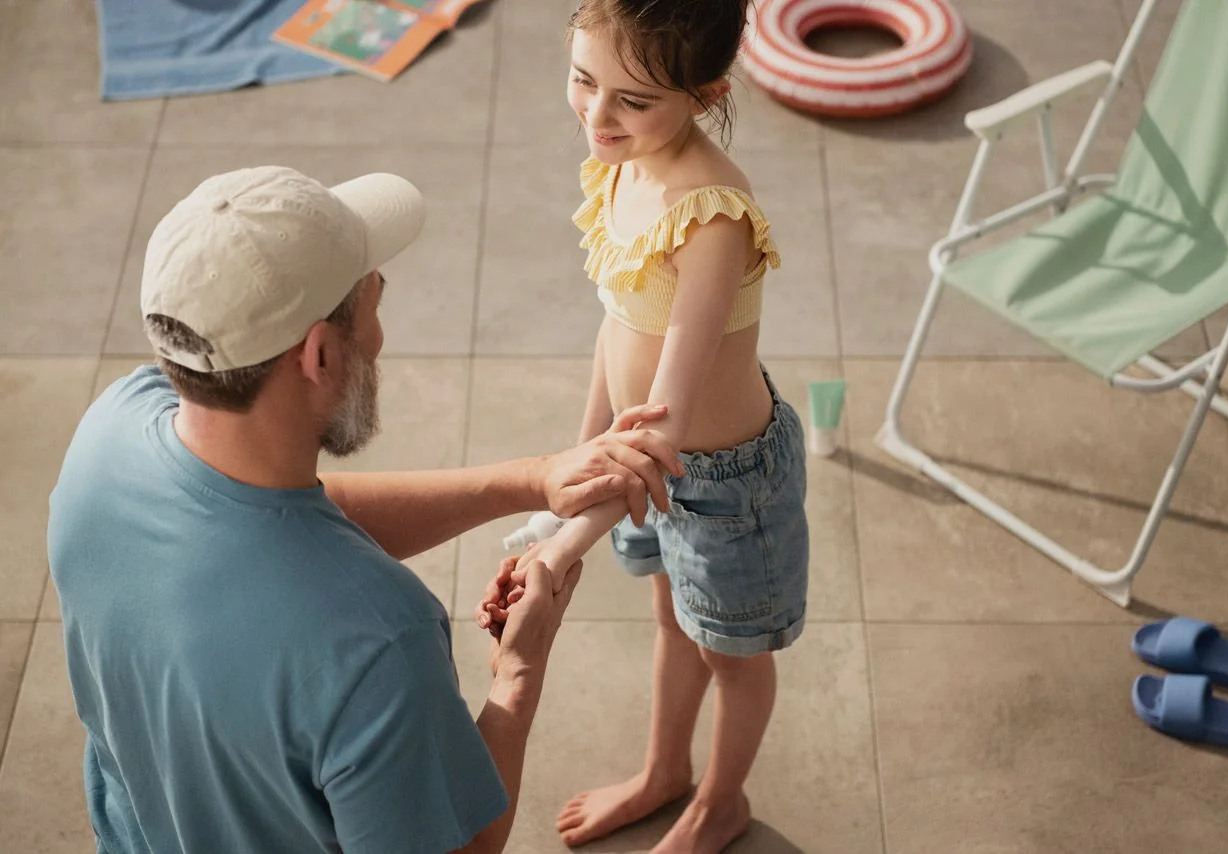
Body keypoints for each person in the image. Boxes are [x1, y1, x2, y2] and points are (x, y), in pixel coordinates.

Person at [46, 165, 684, 854]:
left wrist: (533, 478)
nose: (379, 337)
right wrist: (518, 679)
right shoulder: (377, 643)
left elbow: (293, 515)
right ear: (319, 353)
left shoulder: (109, 432)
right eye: (374, 300)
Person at [476, 2, 810, 852]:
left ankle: (720, 804)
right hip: (648, 467)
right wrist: (569, 468)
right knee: (675, 625)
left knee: (733, 659)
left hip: (723, 486)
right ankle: (666, 770)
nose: (597, 116)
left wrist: (557, 544)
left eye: (633, 100)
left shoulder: (712, 218)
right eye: (584, 81)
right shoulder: (624, 166)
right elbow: (616, 332)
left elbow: (661, 428)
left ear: (706, 94)